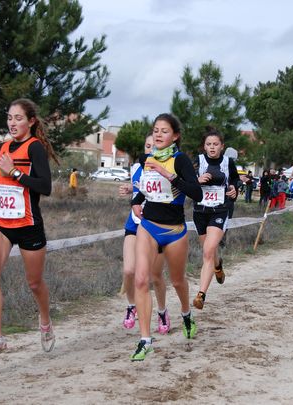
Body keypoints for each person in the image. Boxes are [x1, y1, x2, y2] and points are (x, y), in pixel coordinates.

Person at [0, 98, 57, 361]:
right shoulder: (3, 146)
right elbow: (4, 180)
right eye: (10, 118)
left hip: (28, 224)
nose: (13, 123)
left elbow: (45, 187)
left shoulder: (35, 148)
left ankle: (45, 321)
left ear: (31, 121)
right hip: (1, 223)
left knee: (34, 283)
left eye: (19, 118)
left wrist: (13, 173)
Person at [130, 113, 203, 361]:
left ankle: (185, 314)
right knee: (141, 280)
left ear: (175, 135)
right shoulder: (147, 159)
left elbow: (196, 192)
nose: (159, 134)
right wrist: (135, 201)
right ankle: (145, 340)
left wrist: (167, 173)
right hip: (148, 226)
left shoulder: (180, 160)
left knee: (178, 280)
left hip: (173, 231)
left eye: (164, 131)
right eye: (156, 130)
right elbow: (144, 187)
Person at [118, 133, 169, 334]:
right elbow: (138, 189)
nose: (150, 149)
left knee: (155, 276)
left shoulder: (167, 168)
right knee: (129, 271)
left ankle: (163, 311)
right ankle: (132, 306)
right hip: (134, 224)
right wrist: (129, 188)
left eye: (154, 146)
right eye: (147, 146)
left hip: (157, 227)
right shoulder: (137, 167)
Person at [192, 127, 239, 310]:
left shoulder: (228, 162)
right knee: (209, 252)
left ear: (222, 146)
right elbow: (187, 183)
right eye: (209, 144)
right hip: (200, 212)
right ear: (204, 146)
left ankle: (201, 295)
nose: (212, 147)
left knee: (208, 250)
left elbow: (235, 180)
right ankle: (218, 266)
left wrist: (235, 189)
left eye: (215, 144)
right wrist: (197, 180)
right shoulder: (198, 162)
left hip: (220, 210)